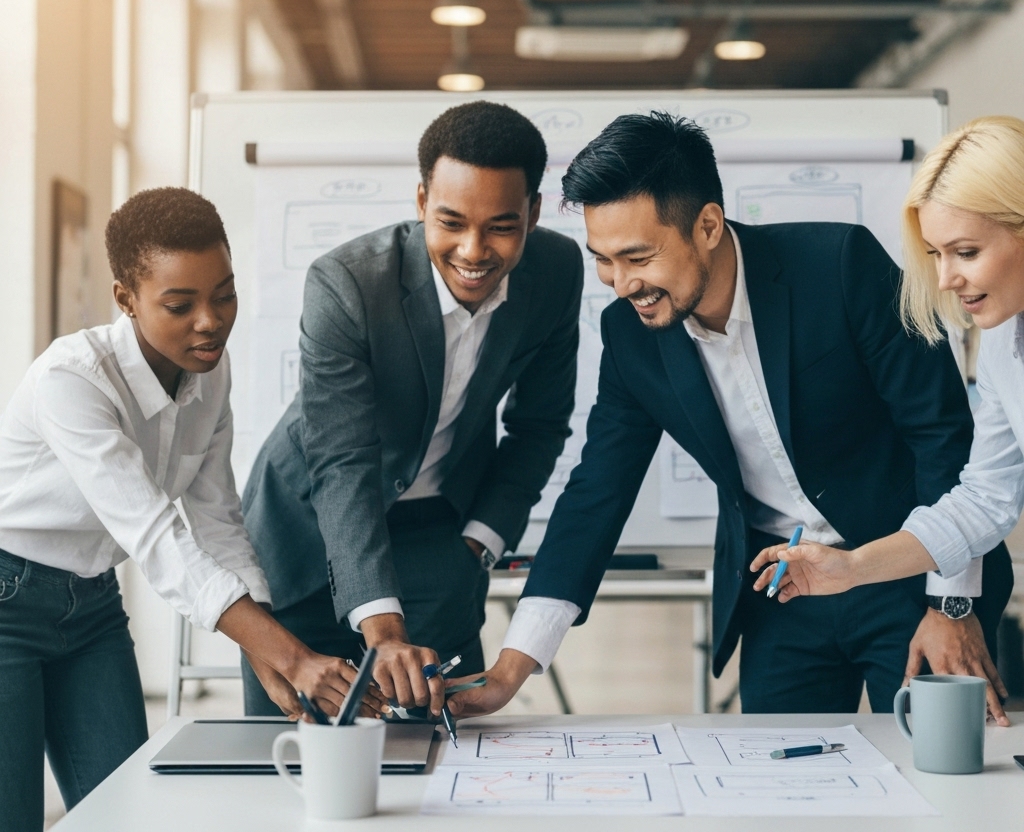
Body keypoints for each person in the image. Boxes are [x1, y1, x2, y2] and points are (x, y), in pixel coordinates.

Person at [446, 110, 1012, 723]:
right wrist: (512, 667)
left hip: (905, 573)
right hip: (780, 589)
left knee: (928, 766)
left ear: (708, 226)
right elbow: (597, 490)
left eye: (638, 257)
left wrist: (951, 604)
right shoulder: (631, 335)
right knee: (781, 774)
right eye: (604, 260)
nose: (621, 283)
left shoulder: (839, 266)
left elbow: (942, 437)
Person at [0, 188, 385, 832]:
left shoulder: (210, 371)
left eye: (224, 295)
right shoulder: (72, 380)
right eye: (180, 305)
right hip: (8, 601)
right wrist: (290, 655)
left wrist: (264, 642)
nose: (210, 322)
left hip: (91, 605)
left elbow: (217, 519)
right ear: (126, 298)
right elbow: (155, 534)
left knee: (126, 816)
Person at [242, 101, 583, 720]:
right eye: (451, 222)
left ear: (533, 213)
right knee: (292, 755)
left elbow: (539, 427)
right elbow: (341, 460)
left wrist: (478, 545)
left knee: (446, 750)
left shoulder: (556, 272)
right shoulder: (346, 283)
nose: (473, 250)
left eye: (501, 227)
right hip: (308, 531)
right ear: (422, 201)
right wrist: (383, 628)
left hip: (439, 540)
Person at [751, 115, 1024, 724]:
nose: (946, 279)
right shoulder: (1004, 342)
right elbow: (983, 500)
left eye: (967, 252)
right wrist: (852, 568)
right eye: (936, 254)